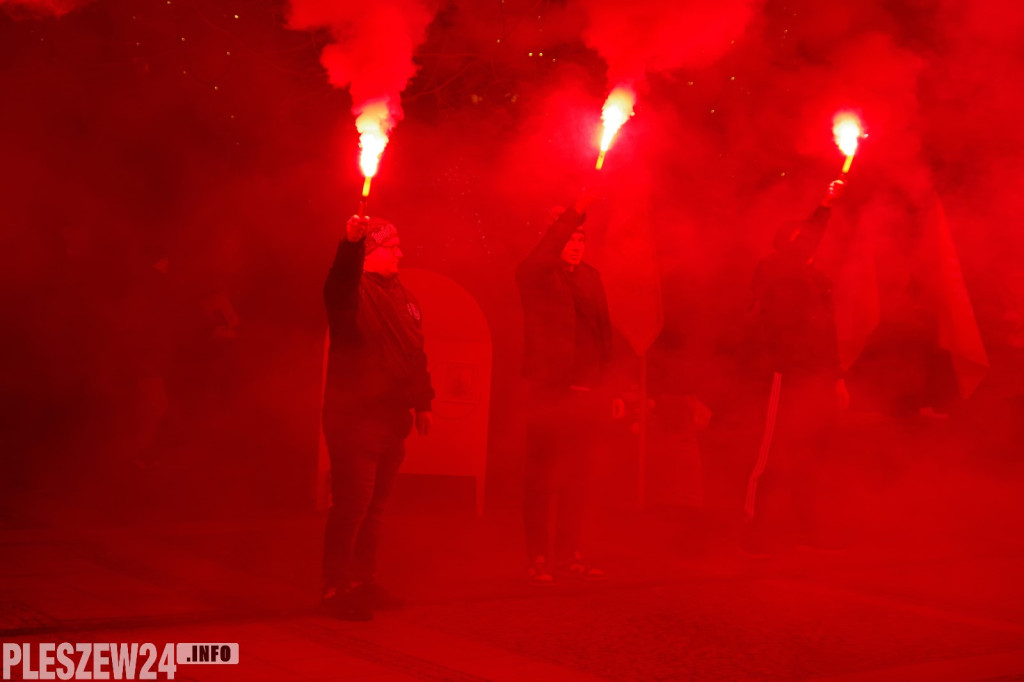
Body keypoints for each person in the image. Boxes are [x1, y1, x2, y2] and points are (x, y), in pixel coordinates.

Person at [321, 214, 433, 620]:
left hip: (390, 420)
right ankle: (335, 588)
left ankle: (362, 581)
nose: (401, 251)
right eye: (392, 245)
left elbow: (415, 355)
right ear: (370, 254)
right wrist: (349, 244)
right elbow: (338, 282)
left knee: (375, 509)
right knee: (352, 504)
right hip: (355, 417)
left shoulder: (405, 298)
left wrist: (423, 403)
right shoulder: (353, 294)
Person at [743, 179, 850, 557]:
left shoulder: (817, 279)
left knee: (808, 454)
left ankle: (807, 531)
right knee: (771, 455)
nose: (809, 241)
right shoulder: (774, 270)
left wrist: (836, 377)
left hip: (815, 377)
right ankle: (754, 530)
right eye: (801, 235)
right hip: (783, 375)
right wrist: (824, 205)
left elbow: (828, 331)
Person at [516, 189, 615, 585]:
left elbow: (604, 335)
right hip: (548, 390)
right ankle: (537, 556)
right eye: (568, 238)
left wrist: (610, 387)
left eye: (580, 239)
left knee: (579, 478)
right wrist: (574, 212)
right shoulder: (536, 274)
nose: (575, 246)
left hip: (585, 394)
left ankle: (569, 553)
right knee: (542, 477)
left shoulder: (592, 277)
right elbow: (546, 252)